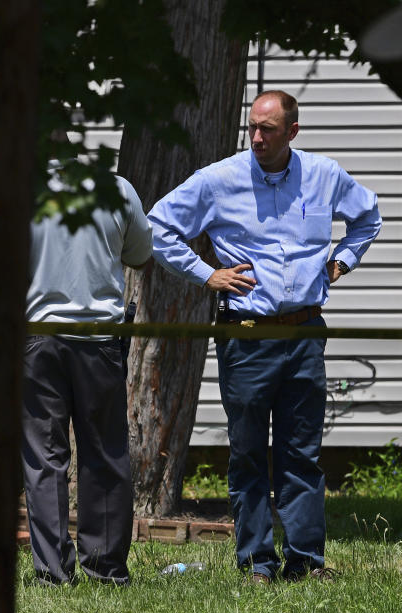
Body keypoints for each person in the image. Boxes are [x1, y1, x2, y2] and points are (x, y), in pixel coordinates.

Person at [148, 90, 382, 583]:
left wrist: (344, 260)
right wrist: (206, 274)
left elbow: (368, 218)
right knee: (249, 450)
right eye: (252, 127)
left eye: (268, 130)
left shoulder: (323, 175)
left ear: (292, 132)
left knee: (302, 451)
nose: (256, 137)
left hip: (303, 334)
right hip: (246, 336)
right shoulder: (219, 179)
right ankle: (257, 562)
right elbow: (158, 226)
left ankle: (306, 562)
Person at [22, 175, 152, 587]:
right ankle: (105, 568)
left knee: (44, 457)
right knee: (104, 452)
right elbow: (140, 252)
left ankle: (53, 571)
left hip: (38, 338)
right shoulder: (116, 189)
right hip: (98, 338)